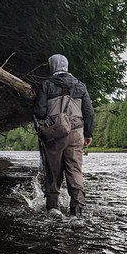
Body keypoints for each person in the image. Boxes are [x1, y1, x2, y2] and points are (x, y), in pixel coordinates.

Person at [33, 54, 94, 214]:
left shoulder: (46, 84)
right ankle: (77, 208)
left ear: (52, 66)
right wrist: (88, 134)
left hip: (54, 134)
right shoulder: (80, 86)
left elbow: (40, 111)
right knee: (75, 169)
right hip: (76, 133)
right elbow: (89, 112)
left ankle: (53, 208)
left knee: (53, 171)